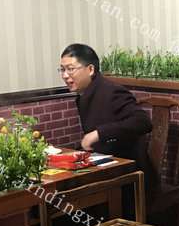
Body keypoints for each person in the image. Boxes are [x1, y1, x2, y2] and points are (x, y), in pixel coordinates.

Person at [60, 43, 154, 173]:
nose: (65, 75)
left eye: (70, 69)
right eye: (62, 70)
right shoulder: (84, 94)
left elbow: (143, 122)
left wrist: (98, 134)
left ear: (90, 69)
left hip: (129, 171)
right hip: (103, 165)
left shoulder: (112, 91)